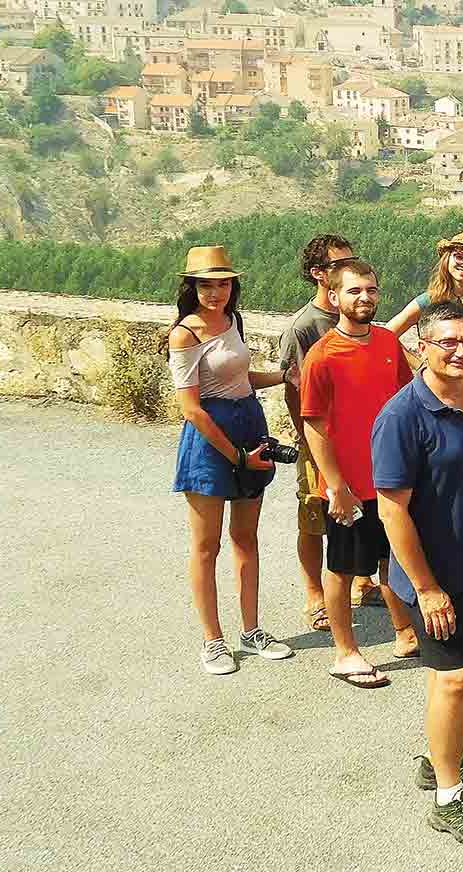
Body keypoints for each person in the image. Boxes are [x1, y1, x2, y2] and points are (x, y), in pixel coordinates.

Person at [371, 301, 463, 846]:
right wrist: (428, 589)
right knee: (456, 677)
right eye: (447, 343)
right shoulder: (402, 417)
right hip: (436, 577)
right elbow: (392, 510)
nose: (460, 351)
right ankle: (449, 799)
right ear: (421, 347)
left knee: (455, 674)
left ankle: (442, 761)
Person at [168, 245, 292, 675]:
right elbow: (192, 407)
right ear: (193, 287)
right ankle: (212, 640)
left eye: (222, 283)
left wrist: (283, 376)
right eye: (206, 284)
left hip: (248, 425)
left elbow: (240, 378)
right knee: (207, 546)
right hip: (212, 441)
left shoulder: (232, 321)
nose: (215, 292)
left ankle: (251, 630)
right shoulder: (185, 333)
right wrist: (236, 456)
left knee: (246, 538)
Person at [301, 259, 421, 688]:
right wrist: (336, 486)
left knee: (396, 558)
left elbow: (408, 400)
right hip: (350, 486)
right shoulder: (322, 356)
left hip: (392, 480)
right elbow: (313, 424)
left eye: (370, 289)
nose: (364, 297)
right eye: (354, 291)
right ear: (333, 297)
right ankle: (345, 652)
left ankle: (405, 634)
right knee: (344, 568)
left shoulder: (389, 342)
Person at [279, 233, 356, 633]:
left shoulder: (353, 314)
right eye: (337, 265)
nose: (347, 269)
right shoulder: (303, 328)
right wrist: (309, 443)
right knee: (314, 517)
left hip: (355, 437)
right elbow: (293, 389)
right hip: (317, 439)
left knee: (358, 512)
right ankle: (314, 595)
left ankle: (359, 582)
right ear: (318, 274)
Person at [387, 228, 463, 413]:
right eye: (459, 256)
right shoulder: (430, 299)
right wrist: (421, 363)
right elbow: (387, 334)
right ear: (448, 259)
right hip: (440, 392)